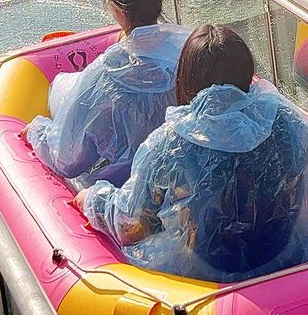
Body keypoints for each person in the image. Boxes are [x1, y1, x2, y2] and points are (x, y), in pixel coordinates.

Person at [75, 25, 308, 283]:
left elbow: (132, 227)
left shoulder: (168, 143)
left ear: (186, 78)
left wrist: (93, 200)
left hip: (202, 281)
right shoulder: (289, 122)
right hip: (288, 260)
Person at [25, 0, 190, 188]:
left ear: (116, 10)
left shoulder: (106, 73)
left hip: (123, 187)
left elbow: (66, 159)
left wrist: (38, 131)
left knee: (61, 87)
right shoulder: (192, 49)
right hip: (181, 175)